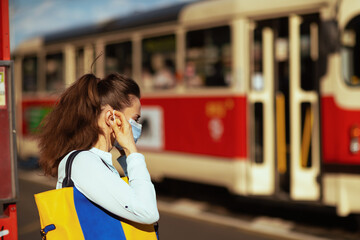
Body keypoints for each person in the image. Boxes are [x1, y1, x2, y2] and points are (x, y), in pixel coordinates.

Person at [37, 73, 159, 225]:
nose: (138, 126)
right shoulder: (84, 163)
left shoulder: (94, 161)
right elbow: (147, 212)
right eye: (135, 119)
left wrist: (126, 156)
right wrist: (131, 150)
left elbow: (139, 196)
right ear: (112, 118)